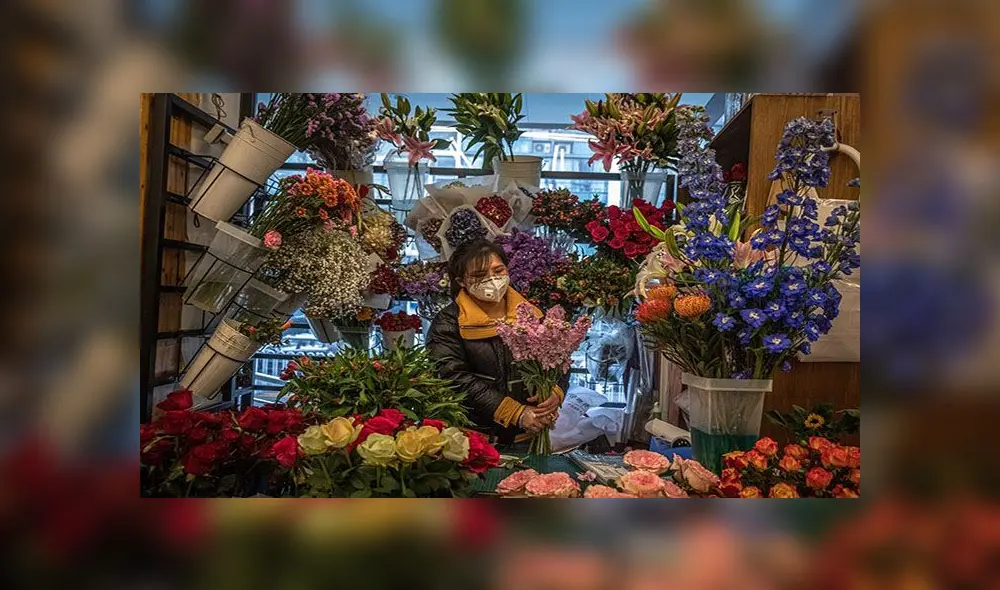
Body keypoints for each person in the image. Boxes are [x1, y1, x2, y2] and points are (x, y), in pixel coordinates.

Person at [426, 239, 568, 448]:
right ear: (461, 281)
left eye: (498, 270)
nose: (492, 279)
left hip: (530, 437)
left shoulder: (531, 313)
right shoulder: (449, 323)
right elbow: (453, 377)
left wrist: (555, 392)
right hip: (477, 441)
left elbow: (559, 357)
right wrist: (515, 412)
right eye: (479, 275)